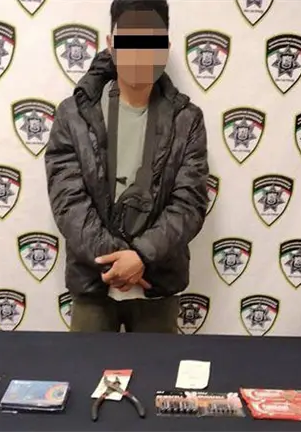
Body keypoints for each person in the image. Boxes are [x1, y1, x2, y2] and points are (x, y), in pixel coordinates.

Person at [44, 0, 209, 333]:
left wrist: (142, 258)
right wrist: (118, 261)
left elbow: (189, 203)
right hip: (94, 283)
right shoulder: (73, 115)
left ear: (165, 48)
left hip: (157, 286)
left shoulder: (187, 119)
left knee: (160, 369)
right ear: (111, 43)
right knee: (85, 367)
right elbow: (68, 201)